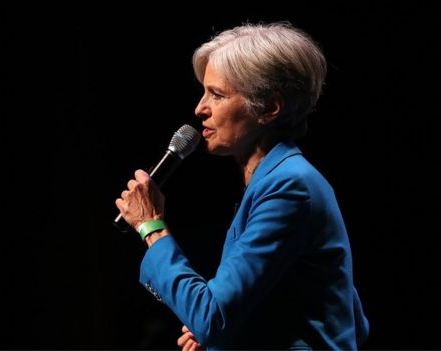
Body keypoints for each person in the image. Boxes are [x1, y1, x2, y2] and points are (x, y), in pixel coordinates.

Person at [114, 21, 369, 350]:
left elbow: (211, 318)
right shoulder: (275, 181)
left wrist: (151, 225)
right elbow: (336, 309)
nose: (199, 108)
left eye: (217, 95)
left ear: (269, 108)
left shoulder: (289, 187)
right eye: (204, 92)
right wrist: (238, 332)